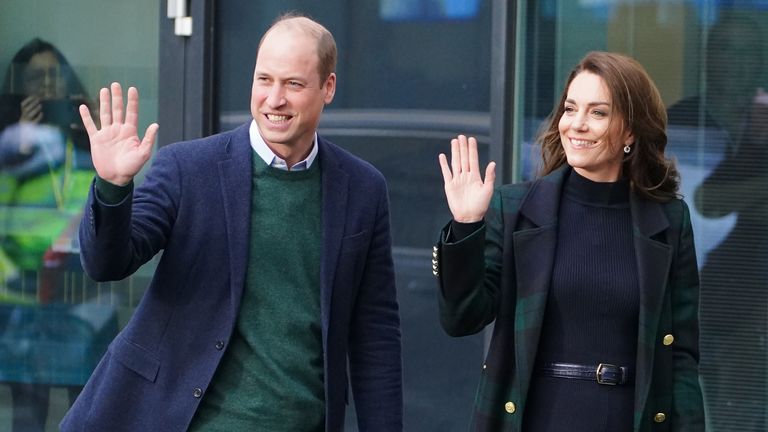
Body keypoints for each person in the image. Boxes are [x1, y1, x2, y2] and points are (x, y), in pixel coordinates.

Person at [59, 13, 402, 432]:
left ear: (327, 87)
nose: (274, 99)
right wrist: (113, 187)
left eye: (293, 84)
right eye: (264, 80)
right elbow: (106, 264)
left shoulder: (363, 189)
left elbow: (375, 333)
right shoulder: (188, 168)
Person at [434, 51, 704, 431]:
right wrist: (466, 226)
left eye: (598, 113)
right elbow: (462, 318)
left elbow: (681, 358)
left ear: (630, 131)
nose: (577, 125)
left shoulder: (668, 221)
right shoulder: (516, 209)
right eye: (570, 109)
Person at [0, 38, 114, 432]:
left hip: (81, 291)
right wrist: (19, 144)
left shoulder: (82, 140)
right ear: (19, 87)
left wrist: (99, 137)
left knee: (88, 407)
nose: (47, 86)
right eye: (36, 78)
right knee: (28, 411)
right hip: (25, 295)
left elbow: (111, 200)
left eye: (54, 76)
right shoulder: (11, 142)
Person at [667, 13, 768, 431]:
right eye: (725, 48)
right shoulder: (678, 122)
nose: (735, 60)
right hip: (696, 303)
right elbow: (695, 203)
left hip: (759, 307)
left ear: (761, 61)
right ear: (708, 57)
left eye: (746, 51)